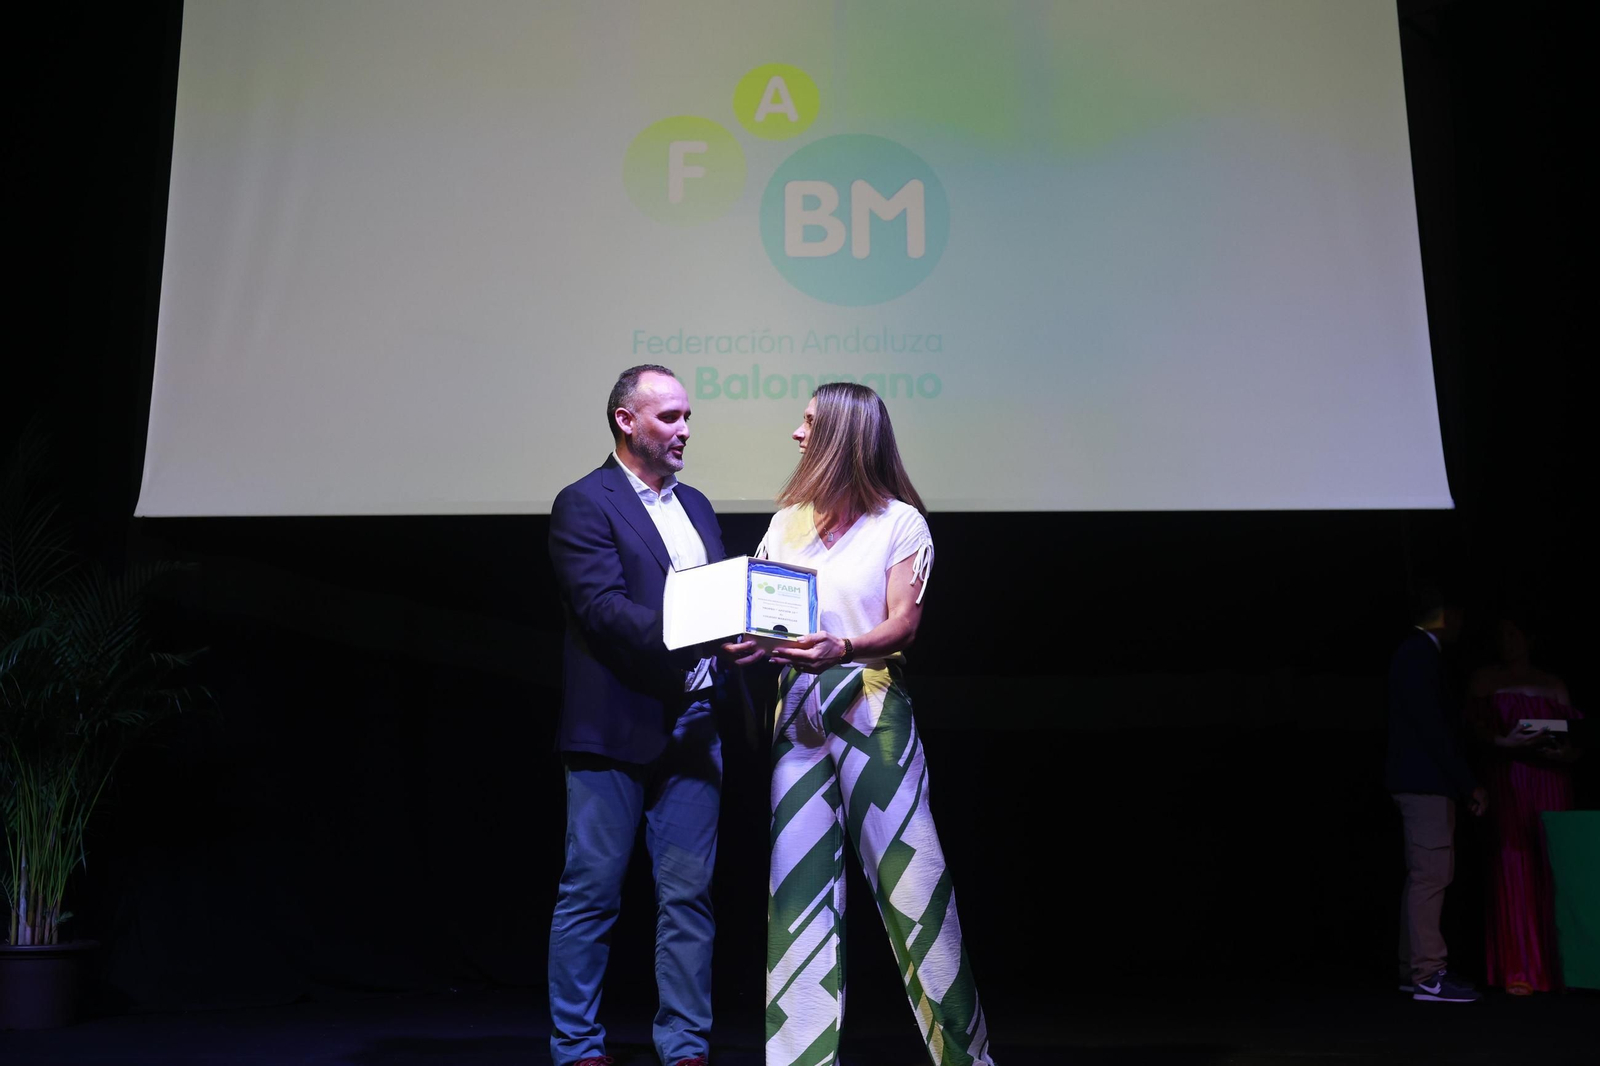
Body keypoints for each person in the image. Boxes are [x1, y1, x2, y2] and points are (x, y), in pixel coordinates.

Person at [753, 383, 994, 1066]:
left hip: (869, 706)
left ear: (840, 437)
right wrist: (749, 641)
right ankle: (799, 1058)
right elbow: (769, 613)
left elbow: (902, 625)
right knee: (796, 889)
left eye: (808, 423)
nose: (797, 435)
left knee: (914, 888)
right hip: (797, 715)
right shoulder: (788, 522)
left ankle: (964, 1057)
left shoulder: (899, 524)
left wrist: (846, 647)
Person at [547, 364, 743, 1066]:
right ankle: (576, 1047)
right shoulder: (584, 502)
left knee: (689, 899)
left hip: (696, 722)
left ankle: (685, 1047)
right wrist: (699, 632)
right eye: (670, 418)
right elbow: (601, 611)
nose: (685, 430)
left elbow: (718, 604)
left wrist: (742, 639)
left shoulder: (696, 507)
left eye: (688, 417)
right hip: (614, 727)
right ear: (626, 421)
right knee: (592, 894)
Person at [1467, 615, 1584, 995]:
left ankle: (1561, 967)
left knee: (1551, 868)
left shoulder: (1553, 684)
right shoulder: (1485, 679)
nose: (1507, 640)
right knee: (1513, 866)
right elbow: (1474, 730)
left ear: (1530, 638)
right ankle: (1519, 968)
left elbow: (1575, 742)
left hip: (1550, 782)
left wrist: (1564, 753)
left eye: (1514, 632)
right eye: (1501, 633)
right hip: (1510, 780)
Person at [1385, 591, 1488, 1004]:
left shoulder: (1417, 655)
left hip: (1422, 782)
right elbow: (1433, 730)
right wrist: (1468, 784)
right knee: (1431, 875)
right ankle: (1428, 974)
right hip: (1425, 784)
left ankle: (1416, 971)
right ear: (1446, 615)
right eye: (1459, 615)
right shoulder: (1419, 655)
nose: (1462, 625)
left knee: (1423, 875)